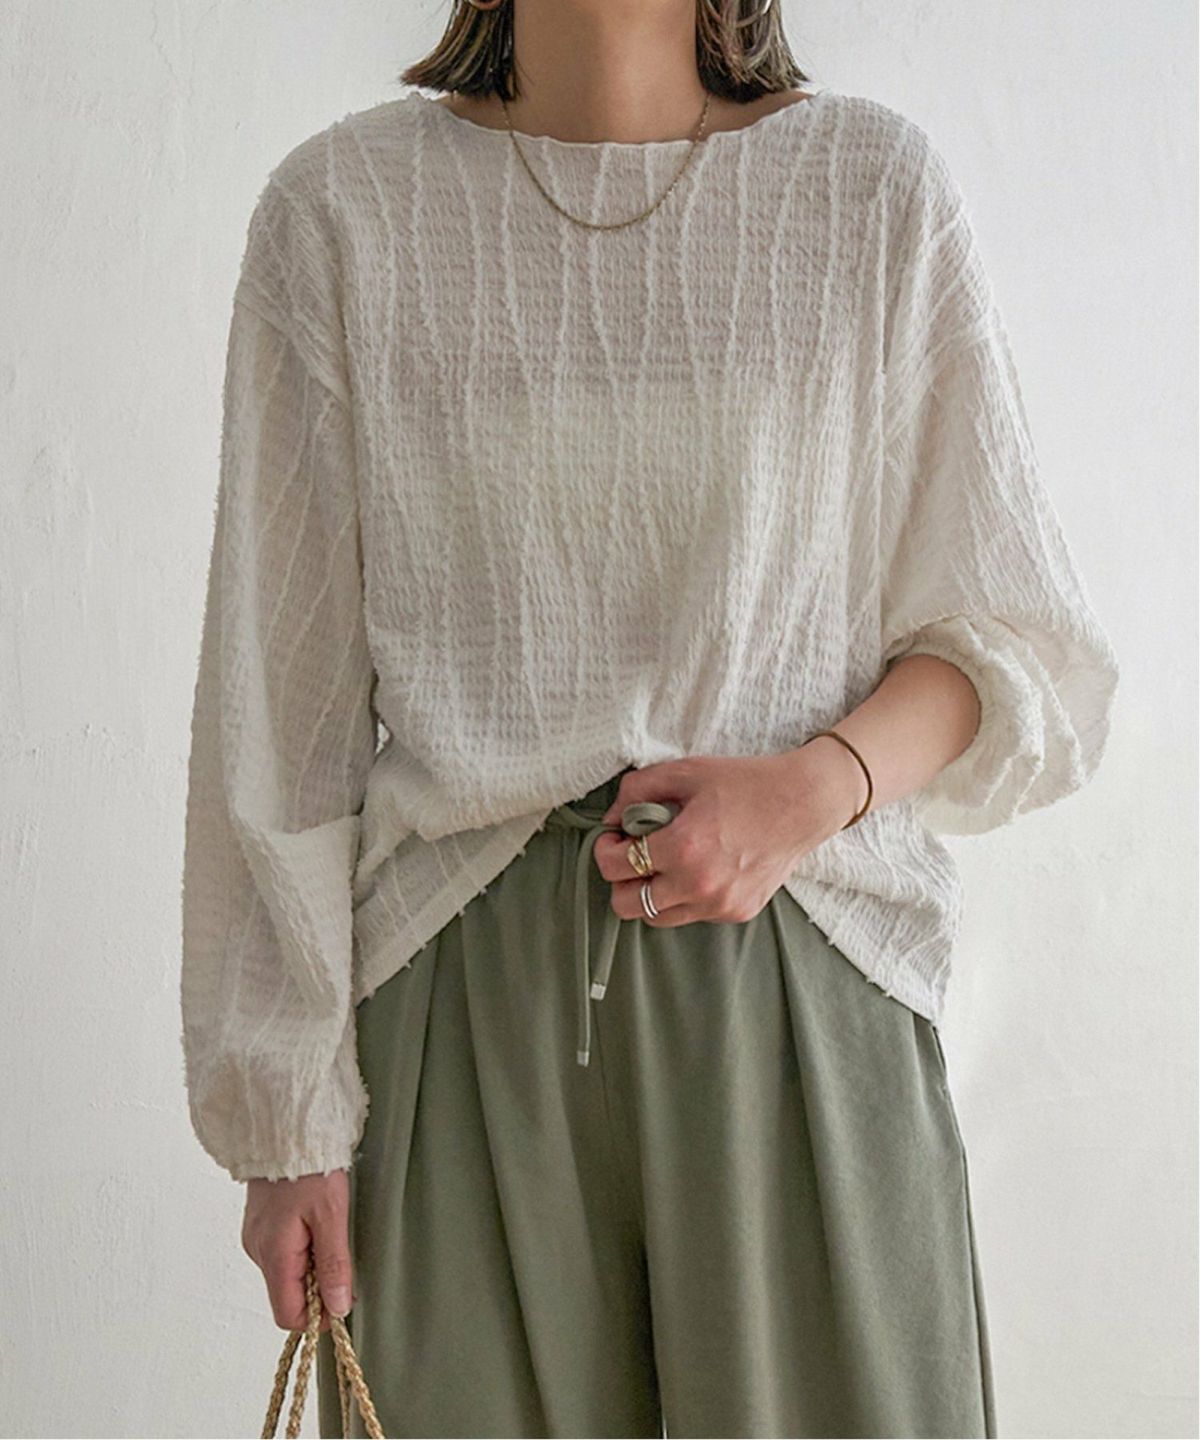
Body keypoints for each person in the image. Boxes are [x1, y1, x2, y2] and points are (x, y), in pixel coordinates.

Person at [180, 2, 1120, 1435]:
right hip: (461, 1007)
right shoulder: (344, 216)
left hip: (798, 982)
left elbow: (1014, 645)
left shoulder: (864, 192)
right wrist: (285, 1117)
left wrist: (810, 790)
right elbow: (279, 718)